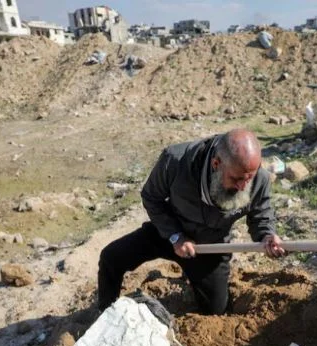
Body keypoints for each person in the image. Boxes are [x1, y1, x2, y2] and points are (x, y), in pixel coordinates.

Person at [97, 128, 286, 315]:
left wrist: (267, 235)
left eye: (248, 178)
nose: (243, 186)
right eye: (236, 179)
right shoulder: (176, 161)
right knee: (111, 258)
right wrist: (175, 236)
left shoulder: (257, 177)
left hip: (210, 246)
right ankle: (105, 314)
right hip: (168, 232)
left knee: (215, 311)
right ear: (216, 163)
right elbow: (151, 197)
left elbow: (261, 213)